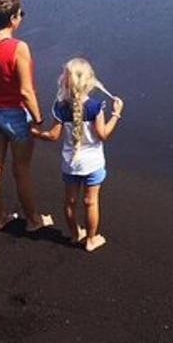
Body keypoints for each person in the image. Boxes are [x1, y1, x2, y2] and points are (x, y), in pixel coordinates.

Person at [0, 0, 52, 232]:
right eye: (20, 14)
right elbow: (26, 92)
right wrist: (38, 119)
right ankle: (34, 220)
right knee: (21, 170)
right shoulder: (18, 48)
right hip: (16, 113)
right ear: (13, 19)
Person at [32, 57, 123, 251]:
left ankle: (75, 234)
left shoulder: (60, 107)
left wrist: (34, 133)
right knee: (91, 202)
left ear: (66, 81)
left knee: (70, 201)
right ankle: (91, 240)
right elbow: (103, 134)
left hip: (70, 163)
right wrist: (116, 114)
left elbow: (52, 136)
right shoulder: (95, 106)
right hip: (93, 163)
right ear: (89, 82)